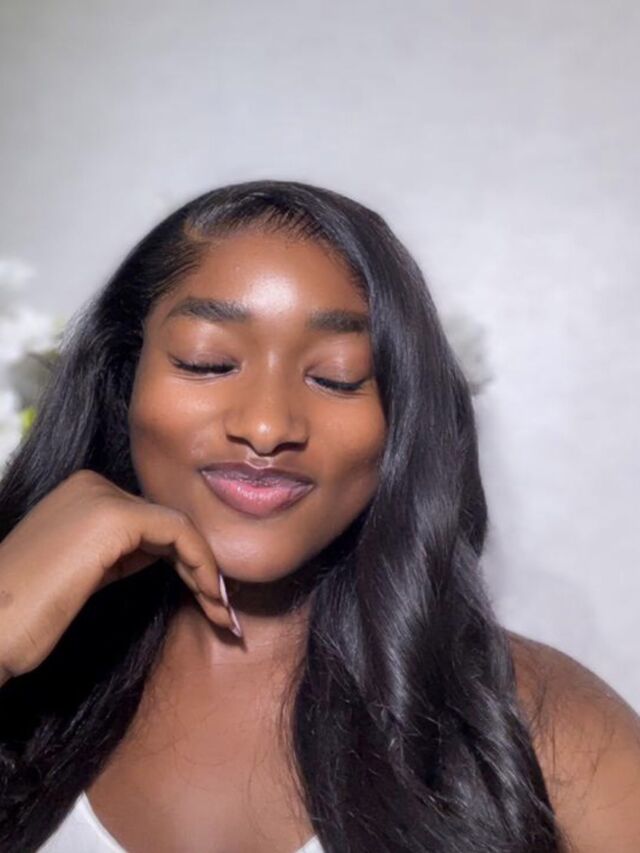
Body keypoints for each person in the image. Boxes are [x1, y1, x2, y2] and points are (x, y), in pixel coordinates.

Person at [0, 180, 638, 853]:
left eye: (337, 376)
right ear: (123, 379)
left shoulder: (530, 722)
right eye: (207, 362)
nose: (267, 426)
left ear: (399, 417)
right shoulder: (28, 683)